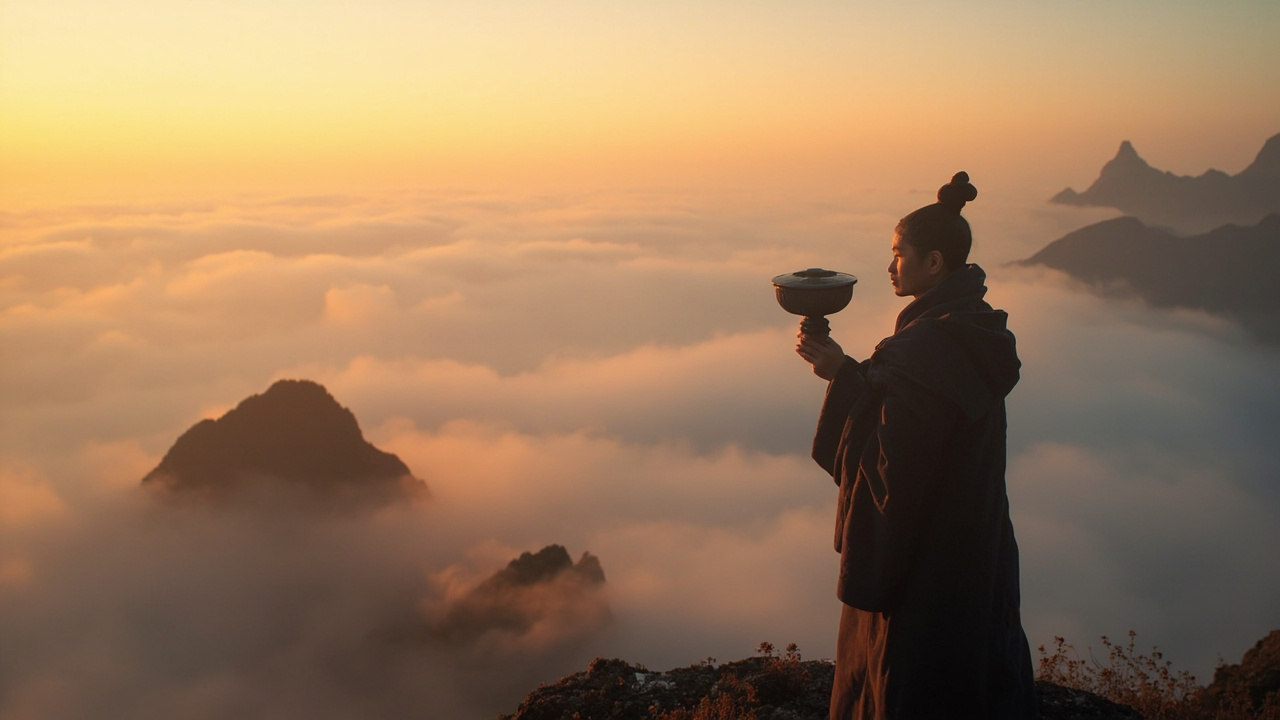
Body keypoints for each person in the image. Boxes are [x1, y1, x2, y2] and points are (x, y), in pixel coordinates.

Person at [796, 172, 1038, 719]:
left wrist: (844, 377)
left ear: (933, 263)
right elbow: (918, 415)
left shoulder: (926, 346)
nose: (890, 267)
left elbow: (893, 469)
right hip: (975, 541)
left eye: (898, 255)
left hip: (925, 558)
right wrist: (850, 373)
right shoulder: (972, 329)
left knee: (913, 679)